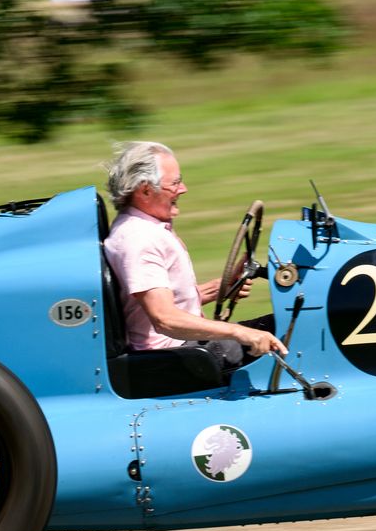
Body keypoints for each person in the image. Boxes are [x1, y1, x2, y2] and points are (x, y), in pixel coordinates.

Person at [102, 141, 285, 369]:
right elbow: (164, 318)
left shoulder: (143, 227)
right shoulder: (139, 239)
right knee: (299, 331)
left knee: (286, 326)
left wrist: (223, 288)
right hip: (175, 358)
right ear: (146, 190)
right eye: (175, 183)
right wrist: (241, 332)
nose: (183, 189)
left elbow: (166, 300)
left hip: (184, 347)